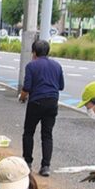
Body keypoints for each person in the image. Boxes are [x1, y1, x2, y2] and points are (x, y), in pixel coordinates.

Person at [19, 40, 64, 177]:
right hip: (52, 102)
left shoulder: (31, 66)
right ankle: (45, 166)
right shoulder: (57, 65)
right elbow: (61, 86)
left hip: (36, 102)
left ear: (34, 52)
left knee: (28, 132)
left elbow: (27, 87)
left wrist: (22, 97)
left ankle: (27, 162)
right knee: (47, 134)